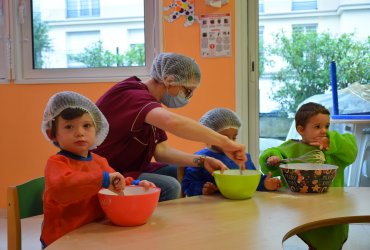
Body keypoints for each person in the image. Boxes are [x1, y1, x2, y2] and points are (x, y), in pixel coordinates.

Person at [93, 52, 246, 202]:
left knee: (176, 171)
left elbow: (162, 152)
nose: (187, 98)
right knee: (170, 186)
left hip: (127, 167)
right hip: (107, 171)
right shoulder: (133, 96)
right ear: (168, 80)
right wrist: (225, 142)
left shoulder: (151, 106)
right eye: (187, 91)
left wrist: (203, 160)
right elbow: (173, 122)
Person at [40, 91, 155, 247]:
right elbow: (63, 188)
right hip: (62, 239)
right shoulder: (57, 163)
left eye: (86, 125)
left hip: (94, 233)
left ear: (97, 129)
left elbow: (114, 184)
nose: (79, 132)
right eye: (69, 127)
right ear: (52, 134)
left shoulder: (99, 161)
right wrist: (104, 180)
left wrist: (135, 184)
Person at [259, 102, 358, 250]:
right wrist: (272, 158)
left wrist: (332, 142)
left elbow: (351, 150)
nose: (324, 131)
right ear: (301, 129)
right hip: (301, 210)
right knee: (313, 240)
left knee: (330, 241)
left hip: (332, 209)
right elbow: (274, 153)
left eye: (327, 126)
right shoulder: (292, 148)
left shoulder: (334, 150)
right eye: (317, 127)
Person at [181, 108, 281, 196]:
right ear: (209, 136)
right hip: (213, 210)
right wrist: (203, 190)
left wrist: (265, 184)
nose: (230, 142)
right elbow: (188, 184)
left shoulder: (242, 158)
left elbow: (253, 181)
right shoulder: (200, 158)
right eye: (225, 138)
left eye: (234, 137)